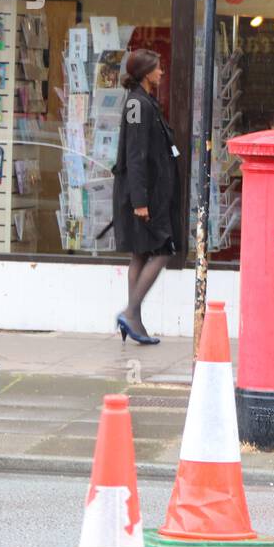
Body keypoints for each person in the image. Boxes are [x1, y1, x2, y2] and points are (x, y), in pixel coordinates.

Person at [111, 48, 182, 345]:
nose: (162, 73)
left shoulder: (144, 102)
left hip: (147, 194)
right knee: (163, 249)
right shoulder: (137, 106)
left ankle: (135, 323)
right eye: (157, 68)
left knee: (140, 252)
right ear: (144, 72)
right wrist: (140, 202)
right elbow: (135, 156)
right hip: (142, 197)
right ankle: (130, 313)